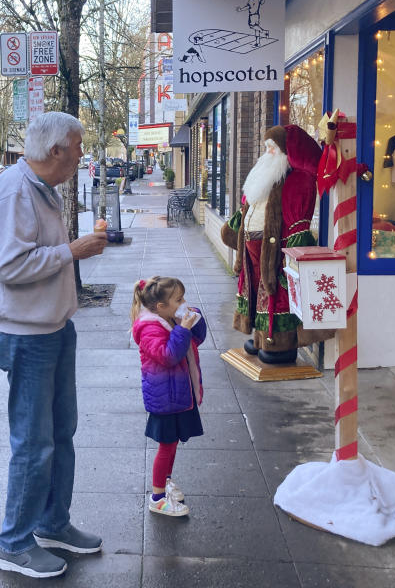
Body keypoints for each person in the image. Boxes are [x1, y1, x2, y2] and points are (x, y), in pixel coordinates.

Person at [0, 111, 108, 579]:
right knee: (34, 444)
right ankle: (12, 544)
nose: (81, 154)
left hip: (51, 328)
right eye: (77, 146)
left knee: (59, 434)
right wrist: (72, 251)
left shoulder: (40, 188)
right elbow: (10, 267)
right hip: (27, 335)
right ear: (55, 150)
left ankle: (52, 524)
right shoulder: (16, 191)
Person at [221, 125, 327, 364]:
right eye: (266, 147)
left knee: (275, 295)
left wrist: (293, 257)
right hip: (253, 251)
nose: (267, 152)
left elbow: (297, 222)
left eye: (273, 148)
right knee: (257, 293)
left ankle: (280, 345)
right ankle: (260, 338)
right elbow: (249, 207)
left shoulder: (297, 180)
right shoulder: (264, 178)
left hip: (275, 252)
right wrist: (235, 228)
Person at [130, 276, 206, 517]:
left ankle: (165, 480)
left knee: (172, 445)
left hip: (177, 394)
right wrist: (182, 328)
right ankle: (158, 497)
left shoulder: (168, 318)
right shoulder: (149, 328)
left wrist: (193, 319)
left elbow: (198, 339)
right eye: (179, 299)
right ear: (161, 307)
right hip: (165, 399)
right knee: (166, 446)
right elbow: (168, 355)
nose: (183, 302)